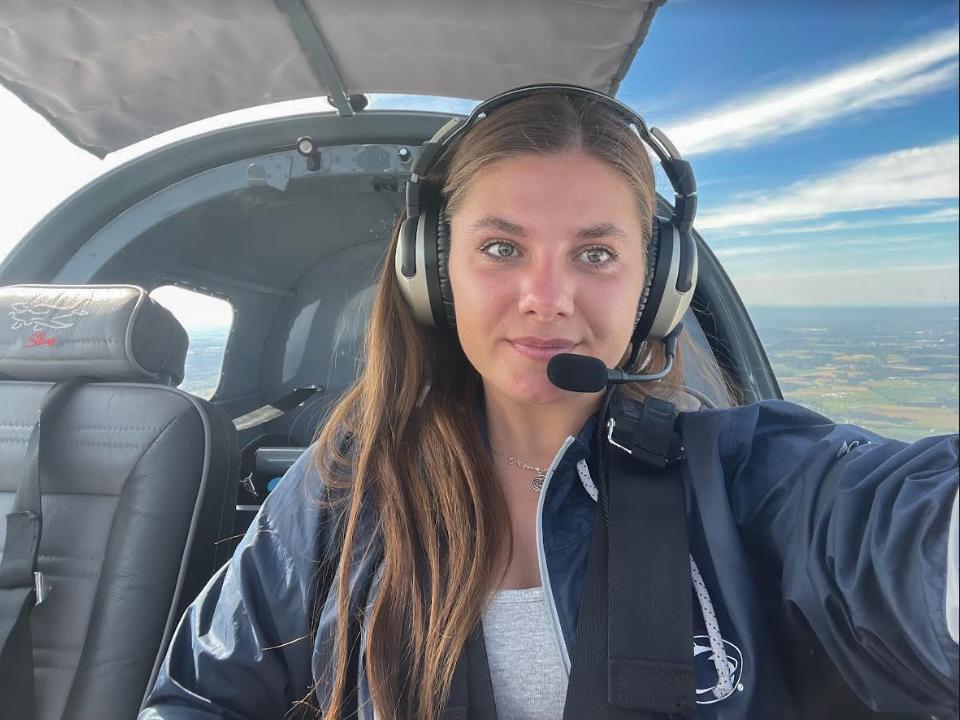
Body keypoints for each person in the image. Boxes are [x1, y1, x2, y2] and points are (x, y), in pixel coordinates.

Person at [138, 85, 959, 720]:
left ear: (656, 288)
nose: (547, 297)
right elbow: (199, 697)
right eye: (501, 247)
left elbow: (900, 534)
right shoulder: (345, 488)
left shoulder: (748, 473)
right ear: (433, 271)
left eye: (596, 253)